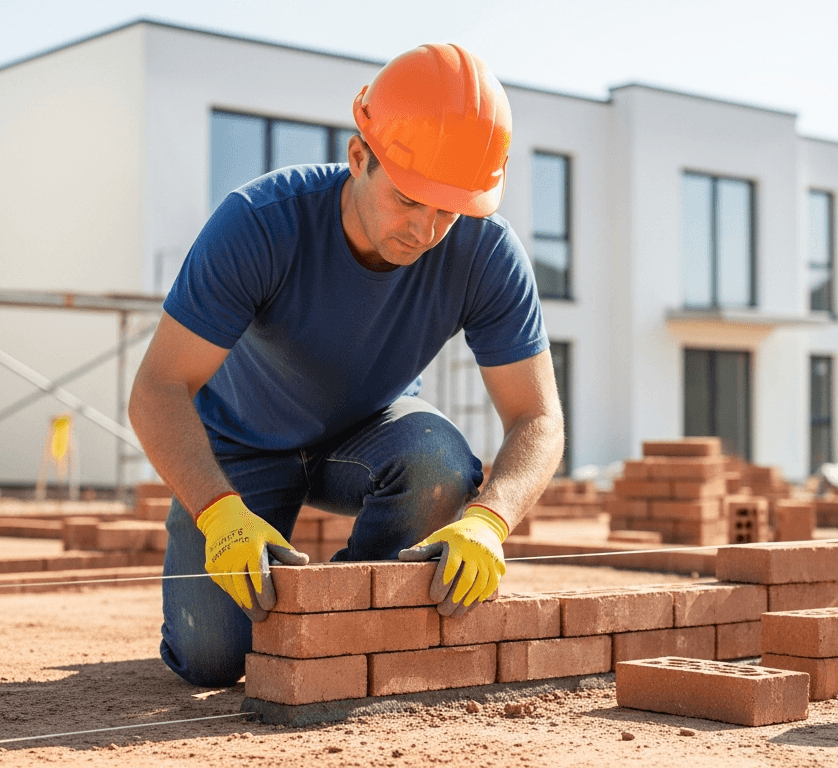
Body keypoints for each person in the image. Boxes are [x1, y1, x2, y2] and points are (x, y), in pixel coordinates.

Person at [129, 43, 564, 688]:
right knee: (212, 660)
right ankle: (258, 612)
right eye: (409, 199)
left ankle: (352, 617)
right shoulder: (260, 224)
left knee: (438, 461)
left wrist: (490, 520)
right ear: (359, 156)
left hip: (369, 433)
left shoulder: (486, 253)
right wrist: (218, 512)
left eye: (449, 210)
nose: (426, 230)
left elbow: (537, 416)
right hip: (241, 445)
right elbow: (157, 388)